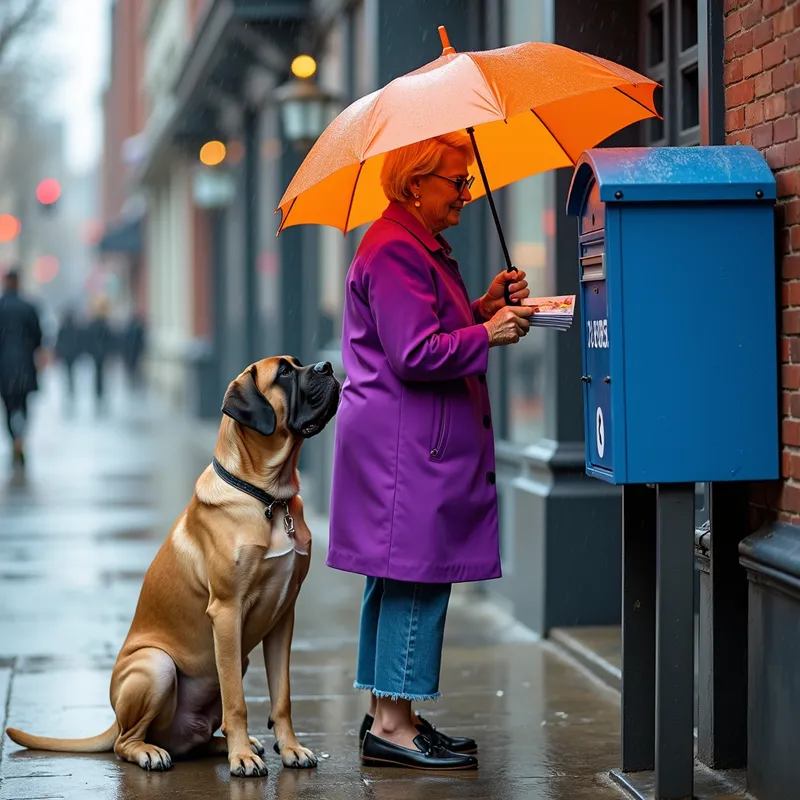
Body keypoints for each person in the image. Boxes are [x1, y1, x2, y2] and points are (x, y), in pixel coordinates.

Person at [328, 132, 533, 770]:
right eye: (457, 181)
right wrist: (489, 334)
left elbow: (427, 328)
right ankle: (392, 726)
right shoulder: (394, 249)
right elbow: (415, 353)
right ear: (416, 185)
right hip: (406, 444)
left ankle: (398, 714)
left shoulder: (409, 245)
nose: (468, 193)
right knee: (417, 574)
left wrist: (483, 306)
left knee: (397, 574)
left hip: (408, 438)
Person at [0, 269, 43, 466]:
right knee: (23, 405)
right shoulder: (29, 307)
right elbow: (38, 337)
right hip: (25, 364)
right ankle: (20, 439)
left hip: (3, 367)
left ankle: (14, 441)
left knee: (8, 406)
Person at [85, 298, 114, 413]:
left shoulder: (94, 324)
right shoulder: (105, 324)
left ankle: (99, 394)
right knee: (101, 375)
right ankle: (100, 394)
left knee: (98, 375)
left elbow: (89, 339)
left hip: (97, 354)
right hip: (101, 354)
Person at [54, 308, 84, 408]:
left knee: (68, 373)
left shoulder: (63, 328)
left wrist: (58, 353)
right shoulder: (75, 327)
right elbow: (79, 341)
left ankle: (69, 391)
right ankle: (70, 391)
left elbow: (59, 341)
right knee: (71, 374)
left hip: (66, 354)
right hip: (72, 354)